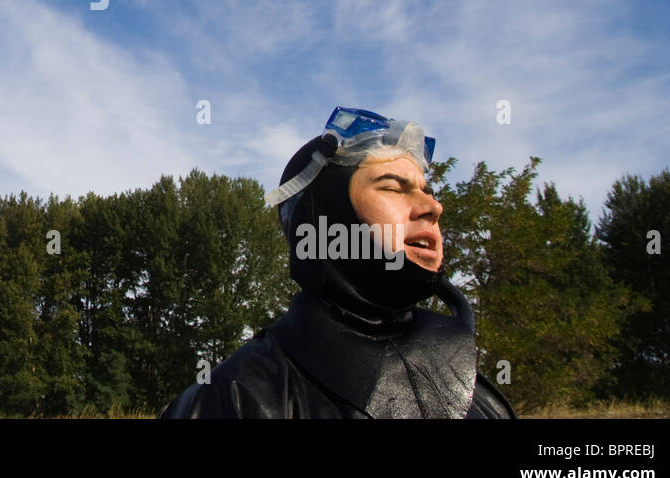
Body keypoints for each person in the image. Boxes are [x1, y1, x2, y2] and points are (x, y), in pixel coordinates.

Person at [160, 106, 515, 418]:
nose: (433, 207)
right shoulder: (232, 399)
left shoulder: (477, 393)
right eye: (392, 187)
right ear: (324, 216)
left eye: (427, 191)